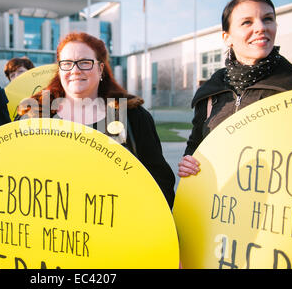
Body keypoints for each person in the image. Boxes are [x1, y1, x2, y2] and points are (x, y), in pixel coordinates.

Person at [17, 32, 175, 208]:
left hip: (116, 227)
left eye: (84, 62)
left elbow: (160, 182)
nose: (75, 70)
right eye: (67, 63)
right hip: (49, 227)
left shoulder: (130, 116)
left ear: (100, 69)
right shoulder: (35, 113)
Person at [178, 0, 292, 178]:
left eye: (268, 19)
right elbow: (195, 146)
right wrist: (189, 162)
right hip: (218, 203)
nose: (261, 27)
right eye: (247, 22)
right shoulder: (210, 91)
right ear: (227, 37)